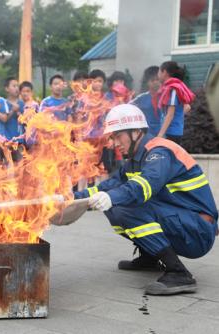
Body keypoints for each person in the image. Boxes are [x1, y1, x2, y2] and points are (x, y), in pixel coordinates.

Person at [76, 104, 217, 295]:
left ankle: (179, 273)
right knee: (115, 206)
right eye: (112, 138)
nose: (114, 143)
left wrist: (111, 197)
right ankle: (150, 256)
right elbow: (108, 186)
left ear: (135, 132)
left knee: (124, 207)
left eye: (117, 136)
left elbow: (145, 185)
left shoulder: (159, 152)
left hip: (198, 231)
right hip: (184, 222)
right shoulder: (135, 159)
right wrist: (69, 198)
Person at [157, 61, 195, 144]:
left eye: (159, 71)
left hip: (171, 132)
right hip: (174, 131)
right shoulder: (175, 87)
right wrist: (178, 115)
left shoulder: (172, 89)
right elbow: (187, 107)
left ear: (164, 72)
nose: (158, 74)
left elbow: (170, 114)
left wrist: (160, 135)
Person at [131, 66, 162, 136]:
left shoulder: (167, 96)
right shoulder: (141, 98)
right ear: (147, 82)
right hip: (146, 134)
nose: (155, 82)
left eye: (157, 79)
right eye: (152, 80)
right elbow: (127, 107)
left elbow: (186, 107)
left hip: (163, 134)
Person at [4, 77, 25, 142]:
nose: (16, 88)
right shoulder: (3, 103)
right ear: (7, 89)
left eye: (17, 86)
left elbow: (25, 121)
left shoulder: (22, 103)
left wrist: (19, 113)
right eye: (14, 86)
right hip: (7, 139)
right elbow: (3, 120)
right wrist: (12, 110)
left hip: (20, 139)